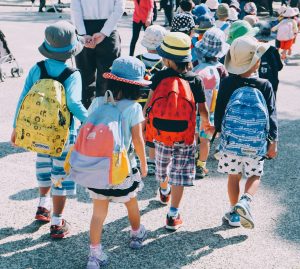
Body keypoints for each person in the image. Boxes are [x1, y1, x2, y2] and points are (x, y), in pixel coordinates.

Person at [11, 21, 88, 238]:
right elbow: (73, 103)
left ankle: (42, 206)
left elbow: (23, 98)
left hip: (37, 131)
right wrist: (90, 120)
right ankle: (57, 221)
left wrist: (17, 127)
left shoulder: (37, 68)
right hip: (63, 135)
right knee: (60, 175)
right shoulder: (72, 74)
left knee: (43, 169)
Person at [82, 57, 148, 269]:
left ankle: (94, 255)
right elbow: (138, 140)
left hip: (96, 168)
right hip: (122, 169)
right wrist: (144, 164)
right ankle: (136, 234)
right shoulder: (133, 108)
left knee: (98, 213)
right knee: (131, 202)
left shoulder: (98, 101)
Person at [144, 32, 212, 230]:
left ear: (166, 59)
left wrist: (143, 125)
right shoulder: (195, 80)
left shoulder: (158, 77)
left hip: (161, 134)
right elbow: (202, 109)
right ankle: (173, 214)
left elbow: (149, 104)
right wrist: (206, 125)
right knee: (179, 172)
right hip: (185, 135)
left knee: (162, 165)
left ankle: (164, 189)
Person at [214, 36, 278, 228]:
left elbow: (219, 114)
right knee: (255, 175)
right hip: (256, 144)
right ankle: (246, 201)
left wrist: (219, 133)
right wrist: (273, 141)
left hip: (231, 143)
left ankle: (234, 214)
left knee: (234, 176)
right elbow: (272, 115)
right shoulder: (265, 85)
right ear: (256, 62)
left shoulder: (226, 83)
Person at [71, 0, 125, 108]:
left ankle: (85, 115)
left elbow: (75, 9)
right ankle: (105, 113)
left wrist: (82, 34)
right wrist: (105, 32)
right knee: (108, 77)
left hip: (85, 26)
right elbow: (119, 8)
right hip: (109, 29)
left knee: (84, 78)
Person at [193, 28, 229, 178]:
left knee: (193, 137)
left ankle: (189, 162)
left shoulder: (195, 64)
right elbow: (225, 89)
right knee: (205, 140)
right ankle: (201, 165)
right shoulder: (221, 68)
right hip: (211, 112)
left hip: (193, 110)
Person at [137, 25, 167, 175]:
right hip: (155, 102)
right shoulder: (165, 64)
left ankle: (138, 155)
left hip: (137, 101)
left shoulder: (138, 60)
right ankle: (151, 158)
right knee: (152, 129)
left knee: (138, 128)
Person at [255, 22, 283, 98]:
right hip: (271, 83)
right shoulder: (273, 50)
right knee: (270, 104)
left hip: (256, 84)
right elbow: (280, 67)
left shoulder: (253, 50)